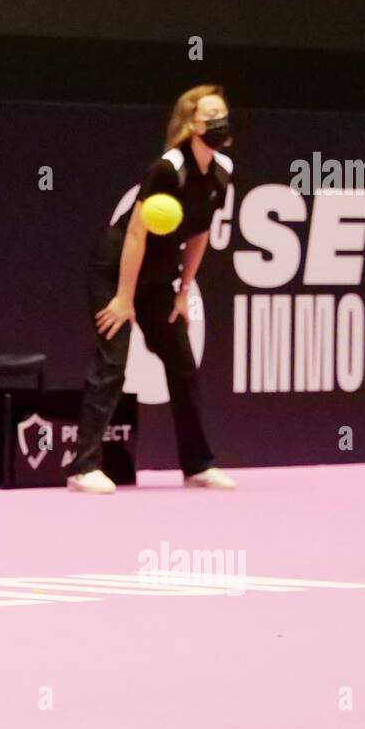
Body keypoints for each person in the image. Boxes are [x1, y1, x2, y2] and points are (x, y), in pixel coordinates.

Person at [66, 85, 238, 495]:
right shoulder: (166, 168)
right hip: (115, 269)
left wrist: (183, 292)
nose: (219, 122)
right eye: (210, 114)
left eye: (223, 114)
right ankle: (84, 468)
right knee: (113, 361)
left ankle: (198, 465)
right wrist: (123, 298)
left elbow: (199, 234)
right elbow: (136, 235)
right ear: (190, 124)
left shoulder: (222, 172)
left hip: (161, 278)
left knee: (181, 362)